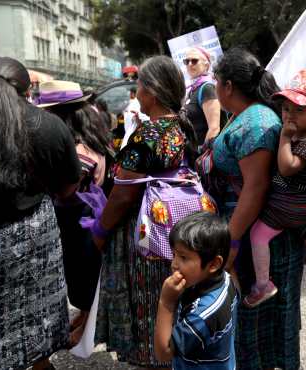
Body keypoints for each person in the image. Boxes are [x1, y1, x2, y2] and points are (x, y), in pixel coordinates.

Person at [0, 57, 81, 370]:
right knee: (36, 315)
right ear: (28, 88)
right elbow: (68, 187)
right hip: (36, 239)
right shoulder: (50, 125)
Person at [93, 55, 198, 368]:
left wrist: (100, 231)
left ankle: (152, 357)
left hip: (145, 235)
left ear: (151, 91)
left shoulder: (149, 134)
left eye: (139, 83)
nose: (136, 89)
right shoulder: (182, 126)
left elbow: (123, 194)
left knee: (149, 301)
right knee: (167, 300)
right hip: (173, 231)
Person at [206, 47, 305, 370]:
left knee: (259, 325)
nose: (215, 88)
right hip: (246, 229)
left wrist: (231, 241)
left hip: (253, 236)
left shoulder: (257, 122)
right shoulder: (247, 116)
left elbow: (255, 187)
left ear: (228, 86)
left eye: (216, 81)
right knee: (251, 323)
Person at [245, 70, 306, 307]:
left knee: (258, 234)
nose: (290, 115)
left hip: (293, 205)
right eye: (286, 109)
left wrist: (284, 136)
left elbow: (287, 168)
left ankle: (263, 284)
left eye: (299, 110)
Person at [39, 80, 110, 347]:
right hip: (85, 213)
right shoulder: (89, 138)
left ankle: (88, 327)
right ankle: (83, 316)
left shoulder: (79, 150)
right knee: (81, 273)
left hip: (79, 217)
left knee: (83, 274)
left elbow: (66, 191)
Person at [154, 212, 238, 369]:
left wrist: (166, 303)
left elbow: (163, 353)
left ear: (213, 264)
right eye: (174, 254)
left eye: (183, 257)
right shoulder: (225, 278)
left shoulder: (203, 315)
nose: (174, 264)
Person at [183, 47, 222, 145]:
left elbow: (214, 129)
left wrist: (203, 154)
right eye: (186, 61)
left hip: (206, 153)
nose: (190, 64)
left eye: (194, 61)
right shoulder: (191, 89)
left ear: (206, 65)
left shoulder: (207, 88)